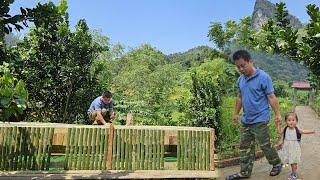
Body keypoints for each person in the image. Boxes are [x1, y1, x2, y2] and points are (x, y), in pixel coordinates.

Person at [226, 50, 283, 180]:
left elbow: (271, 97)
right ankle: (245, 172)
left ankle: (276, 164)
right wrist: (235, 114)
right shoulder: (240, 79)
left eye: (243, 65)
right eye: (238, 66)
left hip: (260, 119)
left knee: (265, 145)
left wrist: (278, 114)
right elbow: (240, 97)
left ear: (251, 61)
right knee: (244, 147)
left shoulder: (264, 77)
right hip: (246, 120)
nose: (241, 69)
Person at [277, 112, 315, 180]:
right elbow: (279, 132)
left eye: (293, 120)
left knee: (293, 162)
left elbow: (304, 131)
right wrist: (278, 125)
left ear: (296, 121)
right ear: (286, 121)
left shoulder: (297, 129)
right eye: (289, 120)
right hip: (287, 148)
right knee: (288, 158)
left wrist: (312, 131)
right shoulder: (285, 129)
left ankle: (294, 173)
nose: (291, 122)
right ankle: (288, 164)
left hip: (294, 148)